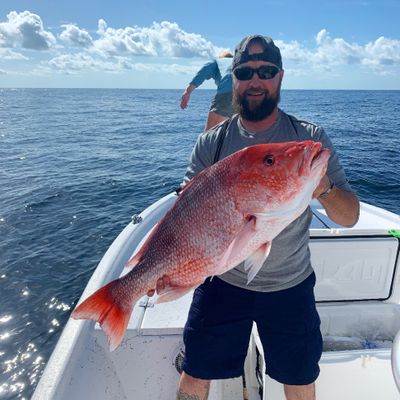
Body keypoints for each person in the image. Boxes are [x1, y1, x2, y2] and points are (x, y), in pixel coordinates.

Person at [152, 35, 360, 400]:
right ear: (233, 79)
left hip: (289, 285)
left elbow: (349, 218)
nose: (255, 81)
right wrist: (166, 268)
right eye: (245, 72)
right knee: (195, 374)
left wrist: (324, 188)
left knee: (299, 381)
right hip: (221, 279)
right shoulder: (211, 143)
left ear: (280, 76)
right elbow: (184, 212)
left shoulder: (307, 139)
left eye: (266, 71)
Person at [180, 50, 233, 131]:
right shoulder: (238, 63)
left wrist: (187, 92)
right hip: (246, 95)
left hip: (227, 93)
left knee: (209, 134)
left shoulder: (218, 62)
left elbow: (204, 72)